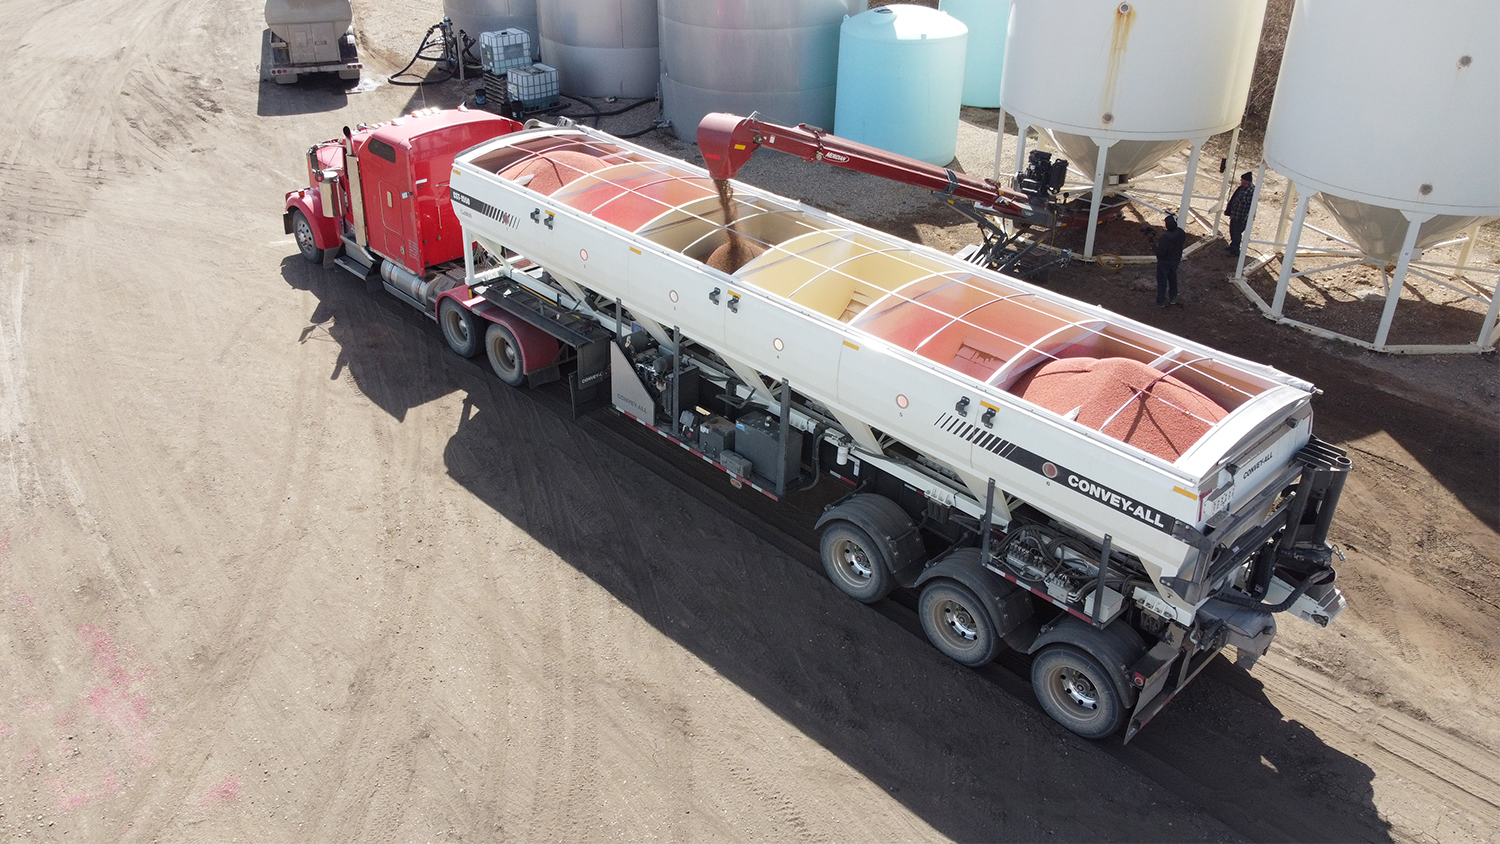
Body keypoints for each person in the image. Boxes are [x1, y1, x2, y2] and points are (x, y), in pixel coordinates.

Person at [1154, 213, 1187, 307]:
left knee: (1162, 280)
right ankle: (1173, 297)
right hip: (1175, 260)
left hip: (1164, 262)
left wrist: (1153, 247)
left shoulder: (1165, 238)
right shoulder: (1181, 233)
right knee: (1173, 278)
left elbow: (1161, 253)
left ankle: (1161, 301)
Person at [1225, 171, 1255, 256]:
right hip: (1235, 215)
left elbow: (1248, 205)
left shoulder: (1251, 191)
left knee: (1237, 234)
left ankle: (1235, 251)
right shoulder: (1242, 188)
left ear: (1247, 181)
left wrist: (1246, 219)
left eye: (1242, 180)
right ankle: (1232, 246)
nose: (1241, 181)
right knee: (1232, 231)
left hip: (1241, 217)